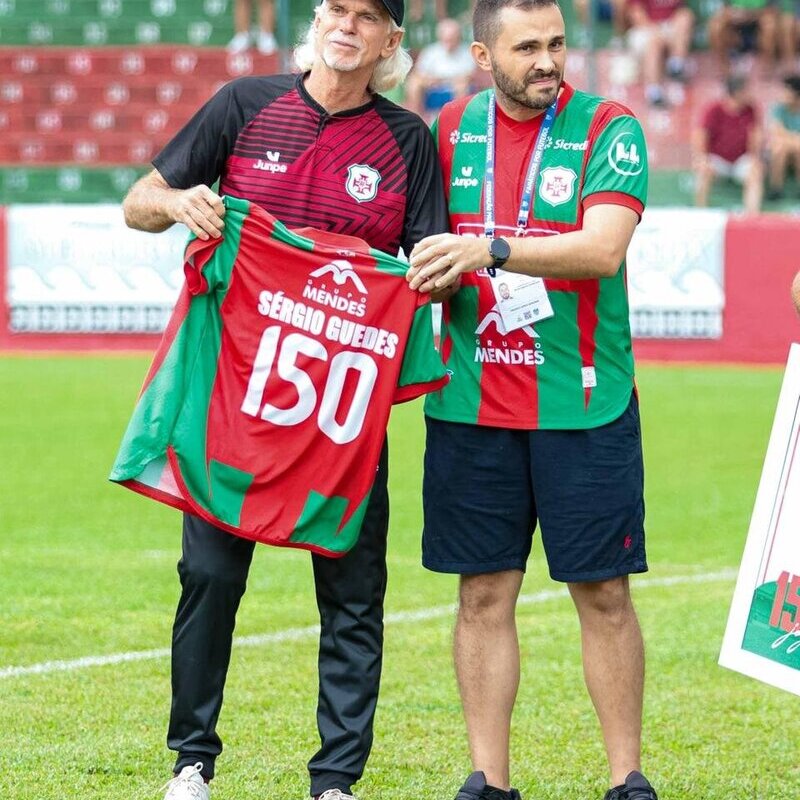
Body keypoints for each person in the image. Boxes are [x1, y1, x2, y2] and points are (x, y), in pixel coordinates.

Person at [121, 2, 448, 799]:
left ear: (390, 41)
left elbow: (429, 262)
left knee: (353, 593)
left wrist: (433, 273)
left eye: (369, 16)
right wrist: (176, 205)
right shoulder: (243, 104)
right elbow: (137, 202)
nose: (349, 24)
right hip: (237, 402)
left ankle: (336, 782)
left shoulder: (409, 141)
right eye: (338, 7)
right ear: (317, 19)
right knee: (208, 575)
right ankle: (191, 762)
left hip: (339, 412)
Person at [406, 1, 656, 799]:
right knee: (482, 593)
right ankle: (488, 779)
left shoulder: (609, 128)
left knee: (605, 595)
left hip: (583, 401)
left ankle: (627, 778)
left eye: (555, 43)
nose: (548, 60)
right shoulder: (446, 130)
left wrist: (492, 247)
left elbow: (603, 250)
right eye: (527, 48)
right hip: (470, 400)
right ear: (483, 55)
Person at [693, 75, 763, 214]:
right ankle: (701, 211)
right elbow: (701, 135)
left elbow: (755, 135)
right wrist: (702, 157)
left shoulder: (751, 109)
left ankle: (751, 215)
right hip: (717, 158)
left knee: (755, 172)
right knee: (704, 170)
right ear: (737, 93)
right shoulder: (714, 109)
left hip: (741, 159)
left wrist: (755, 157)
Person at [624, 0, 694, 106]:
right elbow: (637, 15)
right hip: (645, 29)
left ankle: (676, 66)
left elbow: (680, 9)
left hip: (668, 26)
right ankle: (654, 91)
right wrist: (657, 32)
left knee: (685, 16)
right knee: (654, 43)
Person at [404, 17, 476, 118]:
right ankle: (416, 118)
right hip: (433, 83)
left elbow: (469, 76)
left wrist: (446, 80)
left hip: (455, 85)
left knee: (462, 86)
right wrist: (430, 80)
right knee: (413, 83)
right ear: (440, 37)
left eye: (452, 39)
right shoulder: (430, 51)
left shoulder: (466, 52)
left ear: (458, 37)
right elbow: (418, 73)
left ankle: (456, 119)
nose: (449, 42)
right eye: (446, 39)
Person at [707, 0, 778, 72]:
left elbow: (773, 10)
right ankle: (724, 69)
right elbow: (725, 8)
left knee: (770, 25)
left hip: (758, 18)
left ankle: (766, 69)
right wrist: (734, 13)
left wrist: (749, 15)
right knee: (716, 26)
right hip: (735, 22)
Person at [767, 74, 800, 201]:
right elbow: (776, 132)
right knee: (779, 148)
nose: (783, 94)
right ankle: (776, 189)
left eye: (786, 91)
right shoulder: (777, 109)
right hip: (784, 147)